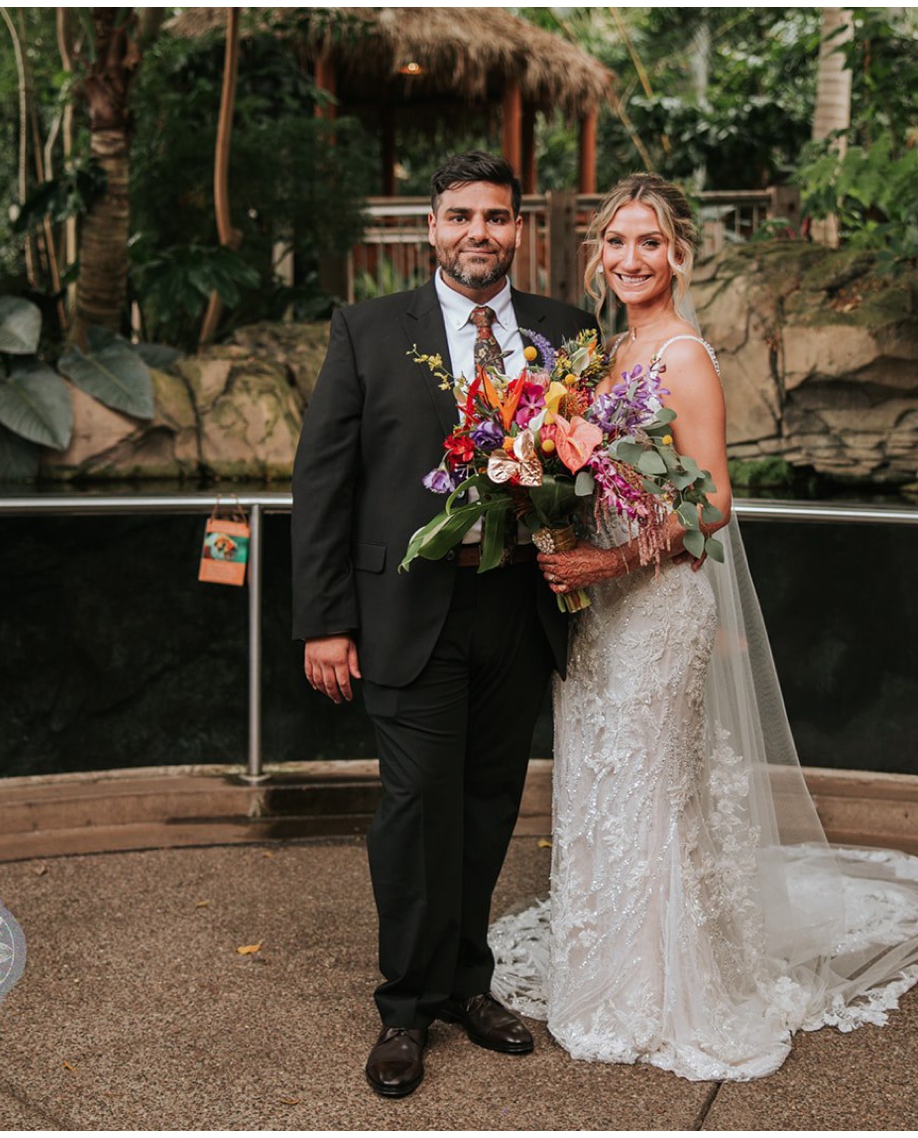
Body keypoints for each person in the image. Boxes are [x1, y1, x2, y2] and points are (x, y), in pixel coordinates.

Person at [499, 173, 918, 1082]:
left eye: (649, 242)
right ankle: (601, 970)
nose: (631, 259)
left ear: (678, 250)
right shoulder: (598, 355)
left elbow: (715, 502)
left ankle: (666, 990)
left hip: (653, 604)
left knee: (654, 792)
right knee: (603, 784)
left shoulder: (682, 355)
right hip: (597, 612)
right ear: (596, 254)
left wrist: (610, 561)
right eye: (616, 243)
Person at [291, 152, 599, 1098]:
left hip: (517, 608)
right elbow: (322, 484)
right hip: (404, 613)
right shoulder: (369, 330)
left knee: (487, 803)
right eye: (460, 216)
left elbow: (591, 473)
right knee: (418, 807)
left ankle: (471, 986)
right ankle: (405, 1009)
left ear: (519, 230)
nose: (479, 233)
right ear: (430, 227)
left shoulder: (567, 333)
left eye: (496, 218)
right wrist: (324, 622)